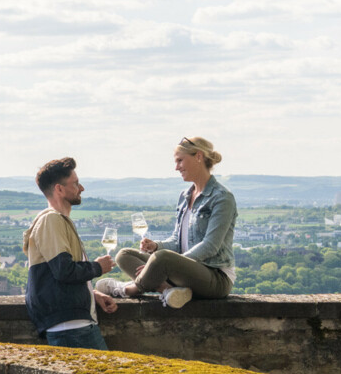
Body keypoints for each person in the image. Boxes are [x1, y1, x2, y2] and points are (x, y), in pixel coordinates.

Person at [111, 136, 237, 309]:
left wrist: (166, 264)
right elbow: (177, 240)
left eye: (180, 160)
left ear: (198, 156)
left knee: (161, 259)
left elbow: (211, 246)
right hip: (183, 275)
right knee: (124, 255)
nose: (176, 167)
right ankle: (167, 290)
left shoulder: (222, 198)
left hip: (215, 277)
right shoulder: (185, 196)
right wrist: (156, 246)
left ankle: (131, 289)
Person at [23, 157, 118, 350]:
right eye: (75, 183)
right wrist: (98, 267)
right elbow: (63, 270)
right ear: (59, 189)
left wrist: (92, 294)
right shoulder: (52, 220)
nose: (81, 188)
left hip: (73, 325)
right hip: (72, 328)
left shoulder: (58, 221)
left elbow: (57, 277)